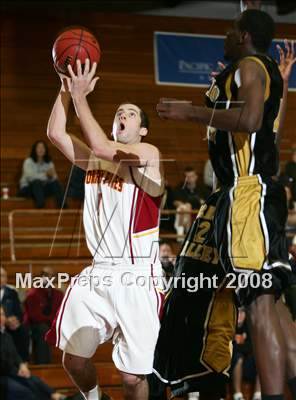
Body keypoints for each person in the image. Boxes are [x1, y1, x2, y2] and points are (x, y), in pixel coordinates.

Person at [155, 10, 296, 400]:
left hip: (247, 193)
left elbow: (250, 120)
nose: (226, 34)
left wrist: (190, 111)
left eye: (232, 29)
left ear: (245, 35)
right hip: (253, 193)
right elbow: (268, 129)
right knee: (272, 304)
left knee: (259, 305)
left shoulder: (250, 65)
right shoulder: (254, 70)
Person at [45, 58, 165, 400]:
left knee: (132, 379)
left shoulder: (147, 153)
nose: (122, 115)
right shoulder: (94, 161)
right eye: (118, 112)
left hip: (138, 276)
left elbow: (101, 146)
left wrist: (81, 97)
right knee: (73, 358)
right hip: (100, 273)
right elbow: (55, 133)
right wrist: (66, 90)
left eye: (130, 113)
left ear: (142, 129)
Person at [0, 306, 65, 400]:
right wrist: (16, 371)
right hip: (4, 376)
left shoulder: (6, 336)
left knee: (34, 380)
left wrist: (21, 364)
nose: (1, 317)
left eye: (2, 314)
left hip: (11, 372)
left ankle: (55, 395)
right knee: (26, 391)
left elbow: (15, 354)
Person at [24, 267, 64, 364]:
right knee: (43, 329)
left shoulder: (59, 294)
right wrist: (51, 321)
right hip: (36, 326)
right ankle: (43, 365)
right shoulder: (32, 294)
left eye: (52, 275)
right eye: (46, 275)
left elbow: (61, 313)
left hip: (54, 324)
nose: (49, 278)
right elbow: (34, 316)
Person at [18, 140, 64, 208]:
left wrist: (51, 176)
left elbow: (54, 177)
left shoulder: (49, 162)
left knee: (56, 183)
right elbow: (30, 178)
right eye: (39, 147)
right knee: (36, 183)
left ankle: (63, 206)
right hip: (28, 188)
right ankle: (40, 207)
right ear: (35, 149)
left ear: (45, 150)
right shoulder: (28, 162)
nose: (41, 149)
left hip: (42, 189)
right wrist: (45, 175)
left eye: (43, 148)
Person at [0, 266, 30, 362]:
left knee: (23, 330)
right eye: (1, 276)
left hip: (9, 325)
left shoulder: (12, 292)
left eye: (4, 276)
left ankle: (22, 363)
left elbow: (19, 312)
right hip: (2, 323)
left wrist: (15, 320)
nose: (2, 279)